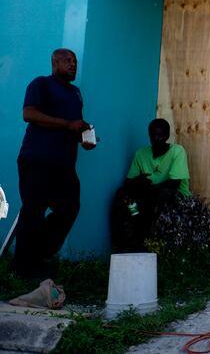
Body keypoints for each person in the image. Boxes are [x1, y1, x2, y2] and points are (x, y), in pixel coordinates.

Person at [14, 49, 96, 278]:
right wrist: (67, 124)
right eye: (68, 61)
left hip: (64, 164)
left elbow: (73, 125)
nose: (73, 65)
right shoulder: (41, 84)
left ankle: (39, 254)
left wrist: (84, 136)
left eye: (75, 61)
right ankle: (24, 268)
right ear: (55, 62)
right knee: (33, 211)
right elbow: (29, 114)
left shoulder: (76, 93)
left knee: (70, 207)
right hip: (37, 159)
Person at [111, 118, 190, 251]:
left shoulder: (177, 151)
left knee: (160, 194)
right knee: (123, 194)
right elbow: (128, 183)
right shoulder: (141, 154)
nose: (157, 139)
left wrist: (143, 188)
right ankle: (128, 241)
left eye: (161, 135)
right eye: (153, 135)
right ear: (149, 135)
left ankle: (147, 239)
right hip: (147, 196)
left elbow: (174, 184)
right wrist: (138, 181)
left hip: (175, 197)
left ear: (167, 136)